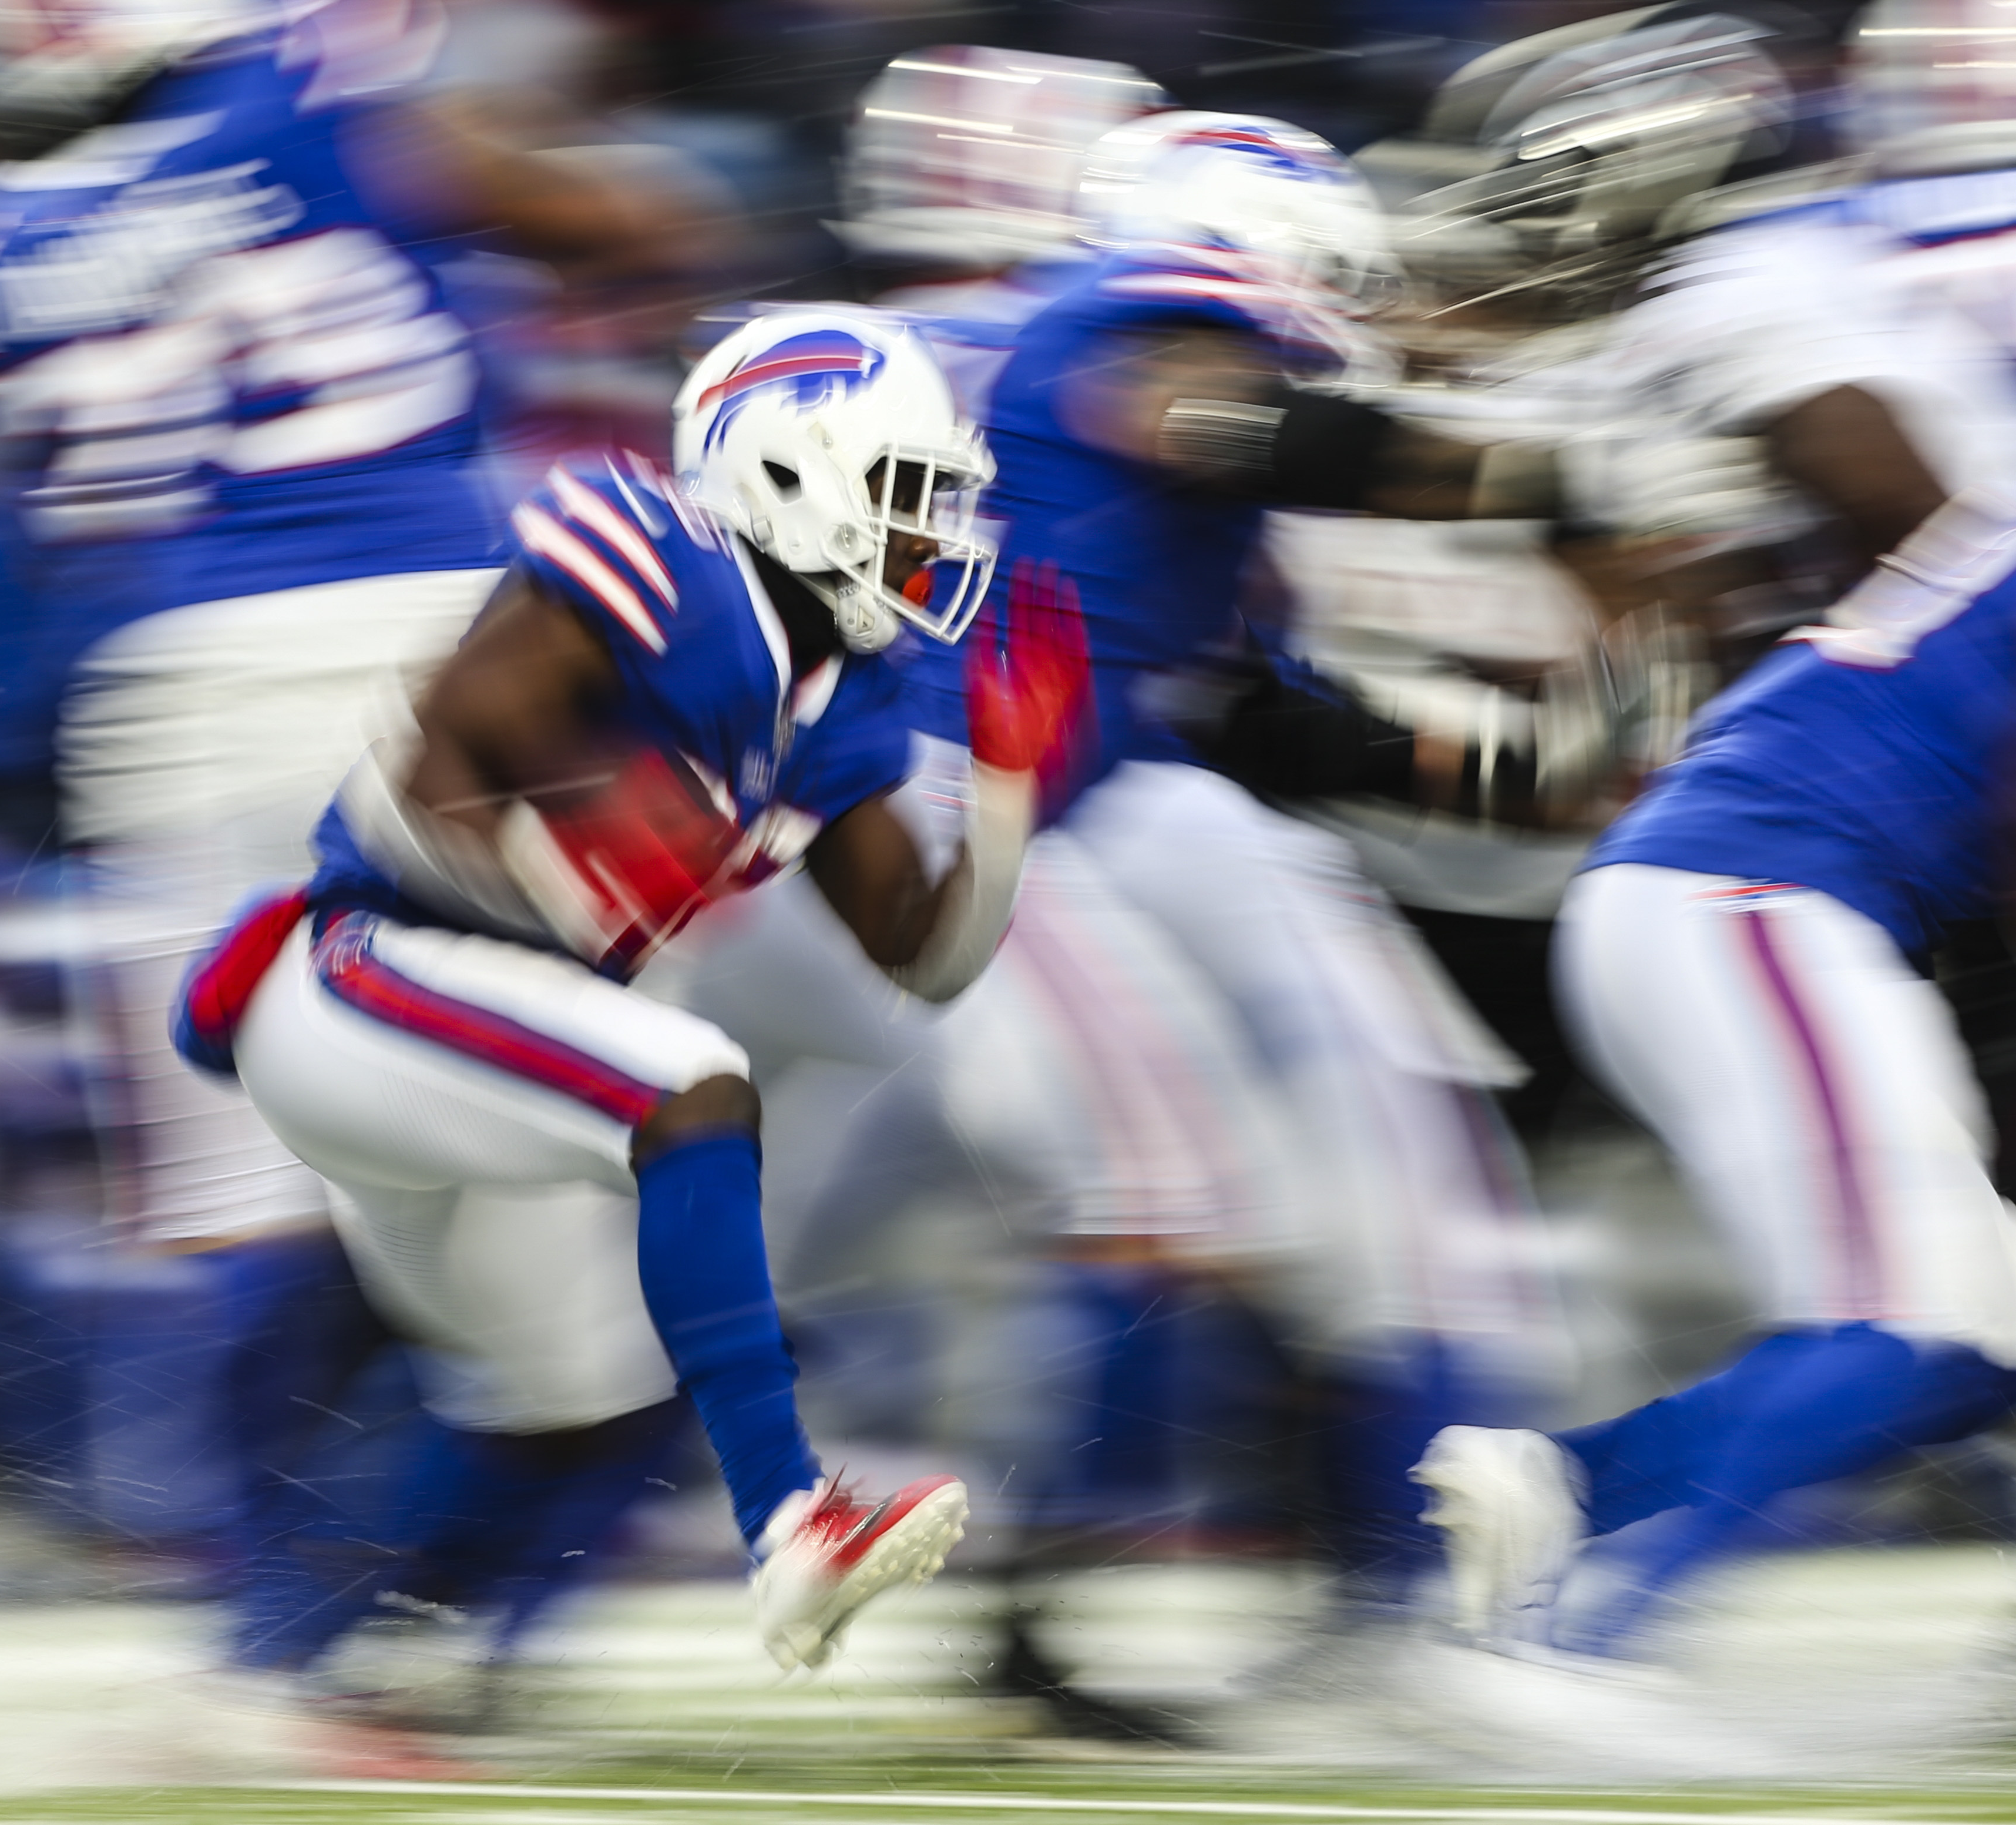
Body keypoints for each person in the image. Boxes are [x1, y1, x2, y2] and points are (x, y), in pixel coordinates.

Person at [0, 0, 709, 1607]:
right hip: (445, 669)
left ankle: (258, 1605)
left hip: (161, 697)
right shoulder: (299, 95)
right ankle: (473, 1576)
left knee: (241, 1193)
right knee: (572, 1131)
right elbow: (622, 216)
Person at [183, 309, 1089, 1673]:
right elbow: (456, 737)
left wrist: (1009, 795)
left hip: (466, 1051)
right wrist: (606, 810)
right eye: (907, 493)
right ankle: (792, 1516)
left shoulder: (841, 695)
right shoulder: (665, 548)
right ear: (782, 471)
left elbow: (920, 957)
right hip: (360, 975)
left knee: (573, 1388)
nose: (935, 536)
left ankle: (332, 1666)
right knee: (690, 1085)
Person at [967, 109, 1593, 1612]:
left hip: (1077, 819)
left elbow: (1249, 709)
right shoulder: (1131, 334)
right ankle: (1383, 1594)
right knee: (1337, 1191)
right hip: (998, 834)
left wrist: (1510, 768)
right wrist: (1548, 469)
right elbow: (1250, 429)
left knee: (1287, 1207)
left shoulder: (1126, 428)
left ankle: (1225, 1596)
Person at [1414, 491, 2016, 1662]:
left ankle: (1565, 1483)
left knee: (1981, 1338)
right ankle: (1594, 1648)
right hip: (1755, 900)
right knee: (1912, 1321)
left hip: (1741, 905)